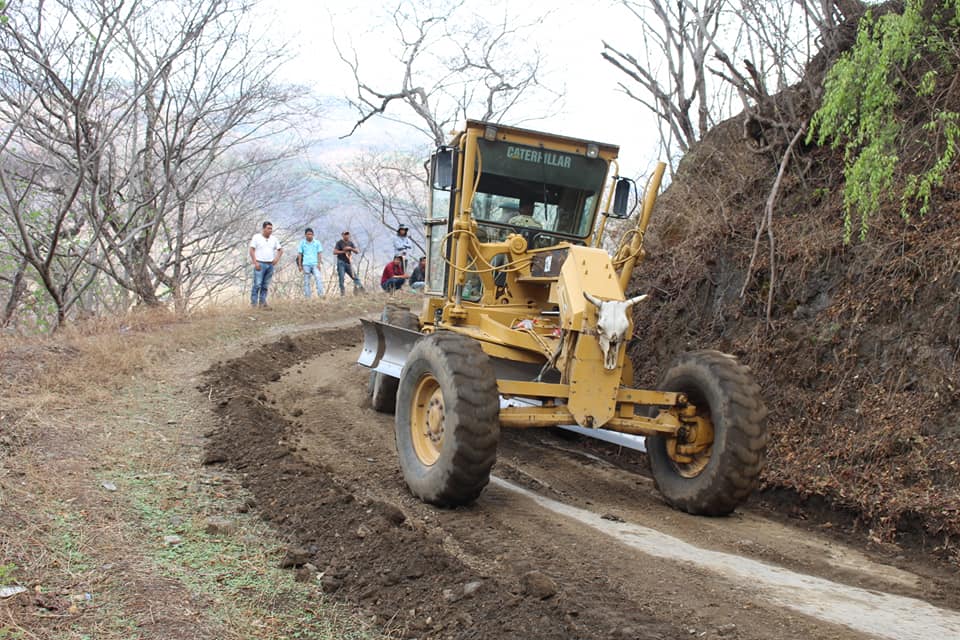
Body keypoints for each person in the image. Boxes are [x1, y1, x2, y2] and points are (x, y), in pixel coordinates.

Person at [249, 221, 282, 308]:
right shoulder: (257, 237)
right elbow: (251, 250)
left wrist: (276, 259)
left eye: (271, 229)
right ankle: (254, 304)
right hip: (260, 263)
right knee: (257, 284)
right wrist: (255, 262)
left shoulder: (274, 239)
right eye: (268, 228)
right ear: (264, 229)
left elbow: (280, 250)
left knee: (265, 285)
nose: (270, 230)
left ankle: (262, 303)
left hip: (270, 264)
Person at [333, 230, 364, 296]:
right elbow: (334, 252)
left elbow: (357, 251)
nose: (346, 235)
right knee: (341, 277)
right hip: (341, 262)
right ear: (342, 235)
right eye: (345, 234)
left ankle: (362, 290)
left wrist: (351, 248)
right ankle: (343, 293)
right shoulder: (339, 243)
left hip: (348, 262)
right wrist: (343, 251)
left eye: (347, 234)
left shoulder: (351, 243)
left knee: (355, 276)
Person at [297, 227, 325, 298]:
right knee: (306, 281)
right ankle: (308, 297)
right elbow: (300, 254)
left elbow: (319, 253)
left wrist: (319, 264)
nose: (309, 236)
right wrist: (300, 265)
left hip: (315, 264)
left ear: (313, 235)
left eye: (311, 234)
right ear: (305, 235)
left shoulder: (317, 243)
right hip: (306, 264)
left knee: (318, 278)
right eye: (308, 234)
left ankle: (321, 295)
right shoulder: (302, 243)